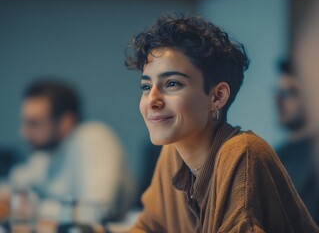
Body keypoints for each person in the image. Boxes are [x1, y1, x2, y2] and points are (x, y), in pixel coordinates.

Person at [124, 13, 319, 232]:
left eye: (172, 83)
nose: (152, 101)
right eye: (146, 87)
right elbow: (149, 227)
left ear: (217, 97)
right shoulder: (172, 152)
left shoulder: (241, 153)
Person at [3, 80, 131, 223]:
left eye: (34, 124)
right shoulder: (47, 152)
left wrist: (33, 209)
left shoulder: (94, 138)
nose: (24, 133)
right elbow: (16, 184)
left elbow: (97, 211)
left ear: (66, 122)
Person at [275, 59, 319, 225]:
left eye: (289, 92)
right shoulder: (275, 156)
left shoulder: (313, 154)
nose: (278, 100)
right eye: (278, 92)